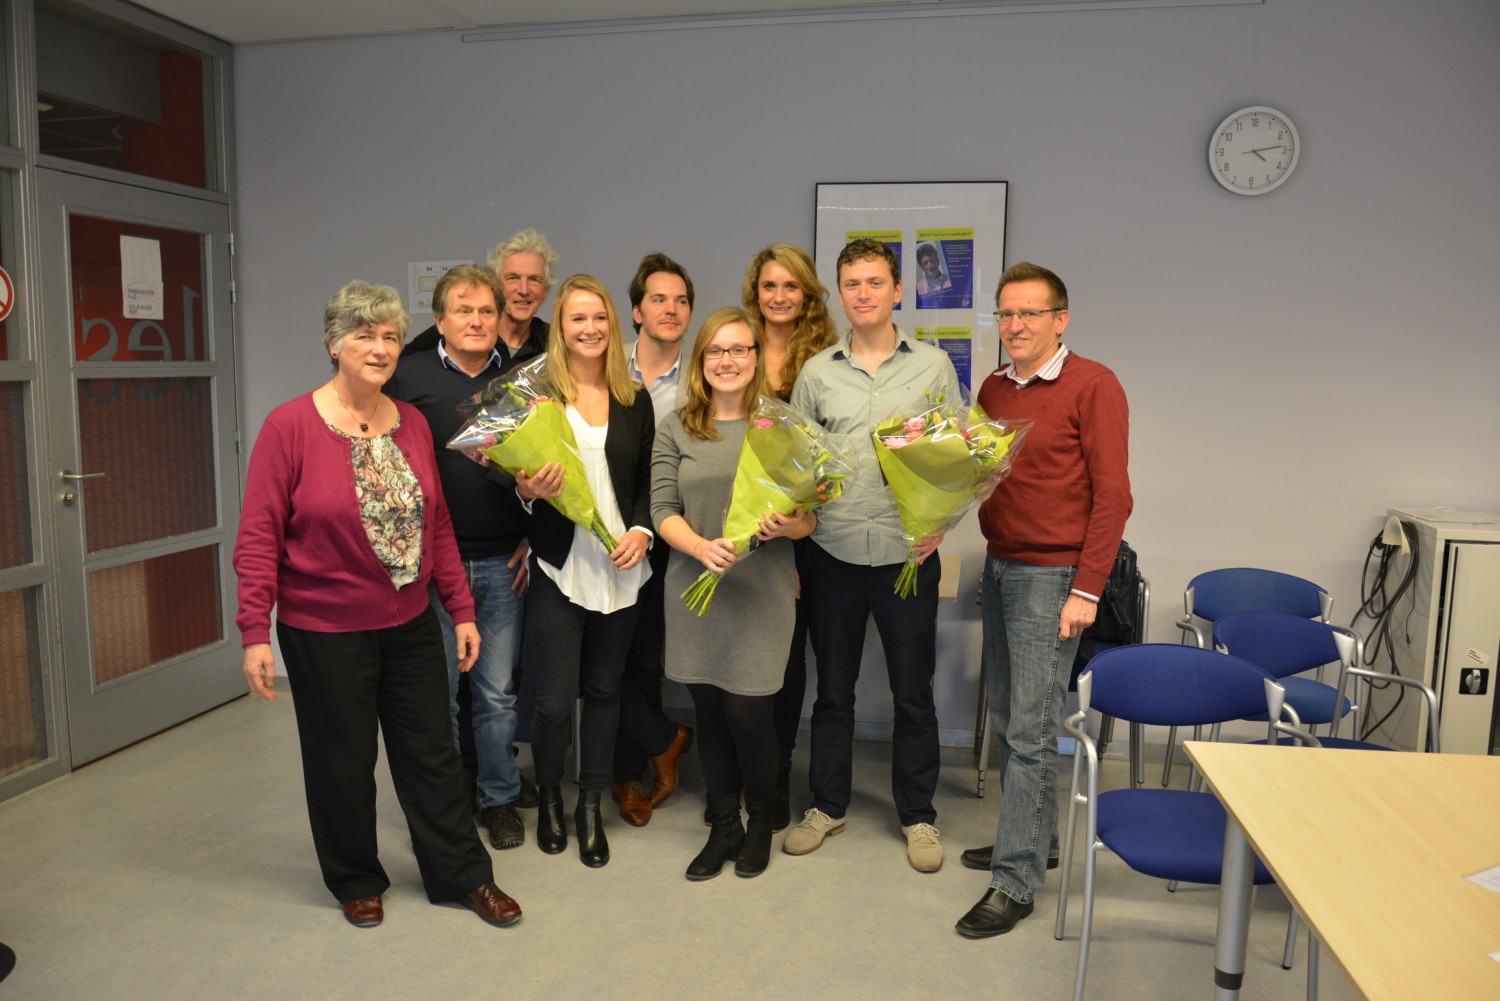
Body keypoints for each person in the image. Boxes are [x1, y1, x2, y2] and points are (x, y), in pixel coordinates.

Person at [233, 280, 521, 929]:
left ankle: (463, 875)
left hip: (412, 622)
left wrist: (462, 609)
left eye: (391, 335)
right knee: (342, 761)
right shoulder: (291, 425)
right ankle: (356, 877)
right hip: (325, 629)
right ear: (334, 342)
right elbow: (258, 534)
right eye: (364, 333)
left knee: (433, 755)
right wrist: (255, 627)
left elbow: (437, 525)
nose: (380, 345)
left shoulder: (412, 421)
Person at [955, 261, 1131, 938]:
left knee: (1029, 731)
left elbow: (1113, 497)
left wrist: (1085, 589)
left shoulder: (1095, 384)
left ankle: (1016, 879)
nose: (1016, 325)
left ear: (1061, 319)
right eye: (1006, 314)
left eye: (1031, 313)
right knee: (1010, 717)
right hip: (1003, 566)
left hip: (1053, 578)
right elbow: (975, 470)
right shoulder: (995, 386)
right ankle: (1035, 840)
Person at [786, 238, 960, 872]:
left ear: (896, 291)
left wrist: (943, 520)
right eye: (852, 283)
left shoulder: (933, 368)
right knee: (833, 693)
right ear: (840, 293)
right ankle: (827, 806)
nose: (863, 293)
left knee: (914, 693)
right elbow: (796, 462)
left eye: (874, 282)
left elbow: (959, 456)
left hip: (906, 554)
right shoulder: (817, 373)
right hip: (831, 554)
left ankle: (918, 817)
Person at [651, 307, 816, 879]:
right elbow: (661, 510)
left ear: (755, 358)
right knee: (711, 714)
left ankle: (761, 823)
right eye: (716, 351)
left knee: (750, 713)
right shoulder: (677, 426)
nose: (728, 361)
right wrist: (699, 547)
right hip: (693, 585)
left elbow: (808, 519)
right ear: (701, 361)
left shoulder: (781, 425)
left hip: (761, 591)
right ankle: (722, 828)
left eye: (739, 350)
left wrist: (789, 527)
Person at [386, 265, 529, 852]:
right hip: (429, 570)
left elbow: (548, 471)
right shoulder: (406, 376)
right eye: (462, 311)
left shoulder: (525, 381)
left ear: (500, 320)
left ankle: (499, 800)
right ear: (440, 320)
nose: (476, 321)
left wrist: (535, 534)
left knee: (496, 696)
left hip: (502, 563)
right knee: (437, 696)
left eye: (486, 312)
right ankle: (445, 805)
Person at [516, 274, 655, 868]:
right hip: (557, 563)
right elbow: (510, 476)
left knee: (603, 692)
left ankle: (590, 804)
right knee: (551, 702)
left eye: (599, 317)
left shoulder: (634, 396)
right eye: (578, 318)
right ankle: (550, 796)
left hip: (621, 565)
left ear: (613, 324)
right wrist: (525, 491)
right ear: (561, 327)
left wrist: (644, 531)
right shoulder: (536, 394)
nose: (591, 328)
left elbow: (654, 480)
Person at [739, 244, 836, 829]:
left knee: (788, 659)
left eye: (791, 287)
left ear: (807, 294)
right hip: (741, 522)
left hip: (802, 530)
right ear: (756, 291)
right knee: (744, 653)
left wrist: (796, 540)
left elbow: (829, 459)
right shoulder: (733, 346)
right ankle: (744, 778)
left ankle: (775, 780)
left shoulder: (824, 360)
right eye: (769, 286)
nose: (779, 297)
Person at [610, 252, 698, 828]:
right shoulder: (603, 364)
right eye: (658, 299)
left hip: (667, 537)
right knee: (599, 663)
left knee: (640, 662)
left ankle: (629, 780)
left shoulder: (701, 378)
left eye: (682, 300)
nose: (671, 310)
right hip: (598, 536)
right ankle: (665, 739)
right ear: (636, 310)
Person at [403, 228, 558, 366]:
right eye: (513, 278)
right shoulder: (453, 331)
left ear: (546, 290)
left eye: (534, 279)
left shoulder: (556, 342)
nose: (524, 290)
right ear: (495, 285)